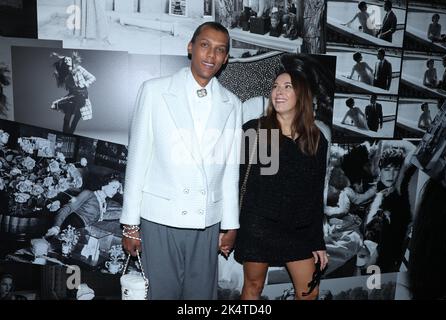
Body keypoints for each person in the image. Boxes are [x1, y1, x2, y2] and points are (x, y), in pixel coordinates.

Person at [120, 22, 242, 300]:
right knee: (161, 294)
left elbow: (230, 170)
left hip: (207, 221)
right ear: (190, 47)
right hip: (160, 218)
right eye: (205, 45)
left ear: (226, 58)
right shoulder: (154, 91)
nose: (211, 55)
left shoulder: (232, 103)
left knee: (201, 298)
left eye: (220, 50)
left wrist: (231, 224)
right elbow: (137, 161)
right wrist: (130, 225)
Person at [234, 56, 328, 300]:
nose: (279, 92)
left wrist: (317, 242)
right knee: (253, 287)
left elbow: (316, 193)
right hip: (259, 226)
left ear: (302, 95)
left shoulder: (316, 139)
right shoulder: (255, 130)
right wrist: (230, 227)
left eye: (288, 87)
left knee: (309, 292)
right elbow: (237, 182)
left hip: (297, 230)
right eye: (275, 86)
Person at [45, 174, 123, 237]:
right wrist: (56, 226)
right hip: (68, 227)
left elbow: (120, 213)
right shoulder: (88, 194)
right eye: (113, 187)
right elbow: (67, 208)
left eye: (117, 189)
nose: (115, 191)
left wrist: (122, 193)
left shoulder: (103, 204)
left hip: (79, 233)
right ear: (104, 185)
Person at [50, 51, 96, 134]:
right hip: (72, 98)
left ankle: (70, 134)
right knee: (66, 118)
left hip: (82, 98)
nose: (67, 61)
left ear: (72, 61)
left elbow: (92, 78)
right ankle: (65, 134)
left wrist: (84, 84)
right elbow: (70, 90)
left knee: (76, 119)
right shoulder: (66, 75)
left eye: (68, 59)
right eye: (65, 60)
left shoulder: (79, 69)